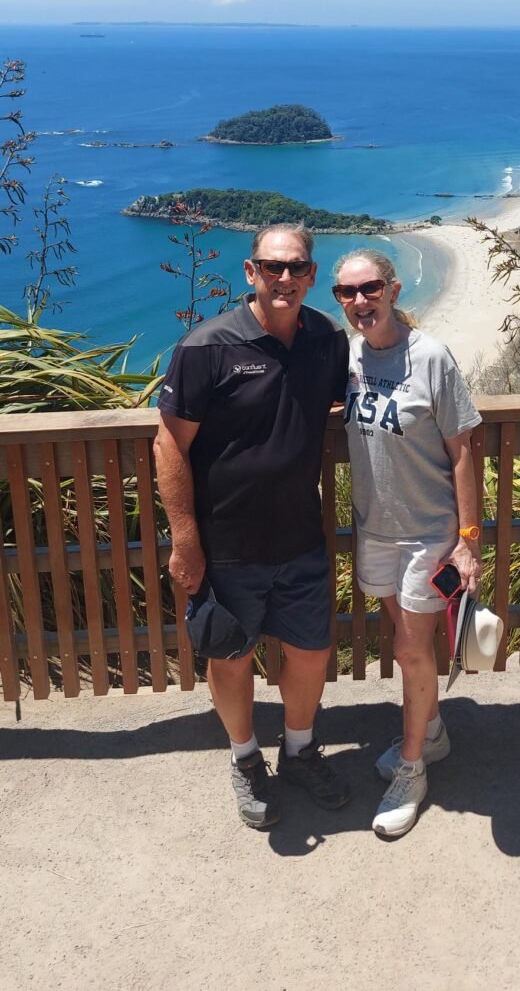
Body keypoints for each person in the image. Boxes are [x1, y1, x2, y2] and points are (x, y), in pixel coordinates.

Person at [154, 223, 351, 830]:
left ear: (313, 275)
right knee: (230, 658)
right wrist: (185, 539)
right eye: (273, 267)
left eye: (296, 268)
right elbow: (169, 445)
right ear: (250, 272)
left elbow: (341, 400)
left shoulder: (326, 340)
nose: (285, 279)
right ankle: (245, 760)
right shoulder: (206, 348)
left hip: (300, 537)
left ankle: (298, 751)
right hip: (226, 546)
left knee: (312, 652)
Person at [333, 247, 482, 837]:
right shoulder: (348, 359)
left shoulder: (431, 358)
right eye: (347, 293)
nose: (359, 301)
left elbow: (463, 451)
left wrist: (468, 540)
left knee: (411, 651)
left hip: (428, 536)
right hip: (375, 529)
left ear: (393, 290)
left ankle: (413, 767)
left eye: (370, 288)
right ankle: (436, 731)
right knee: (405, 639)